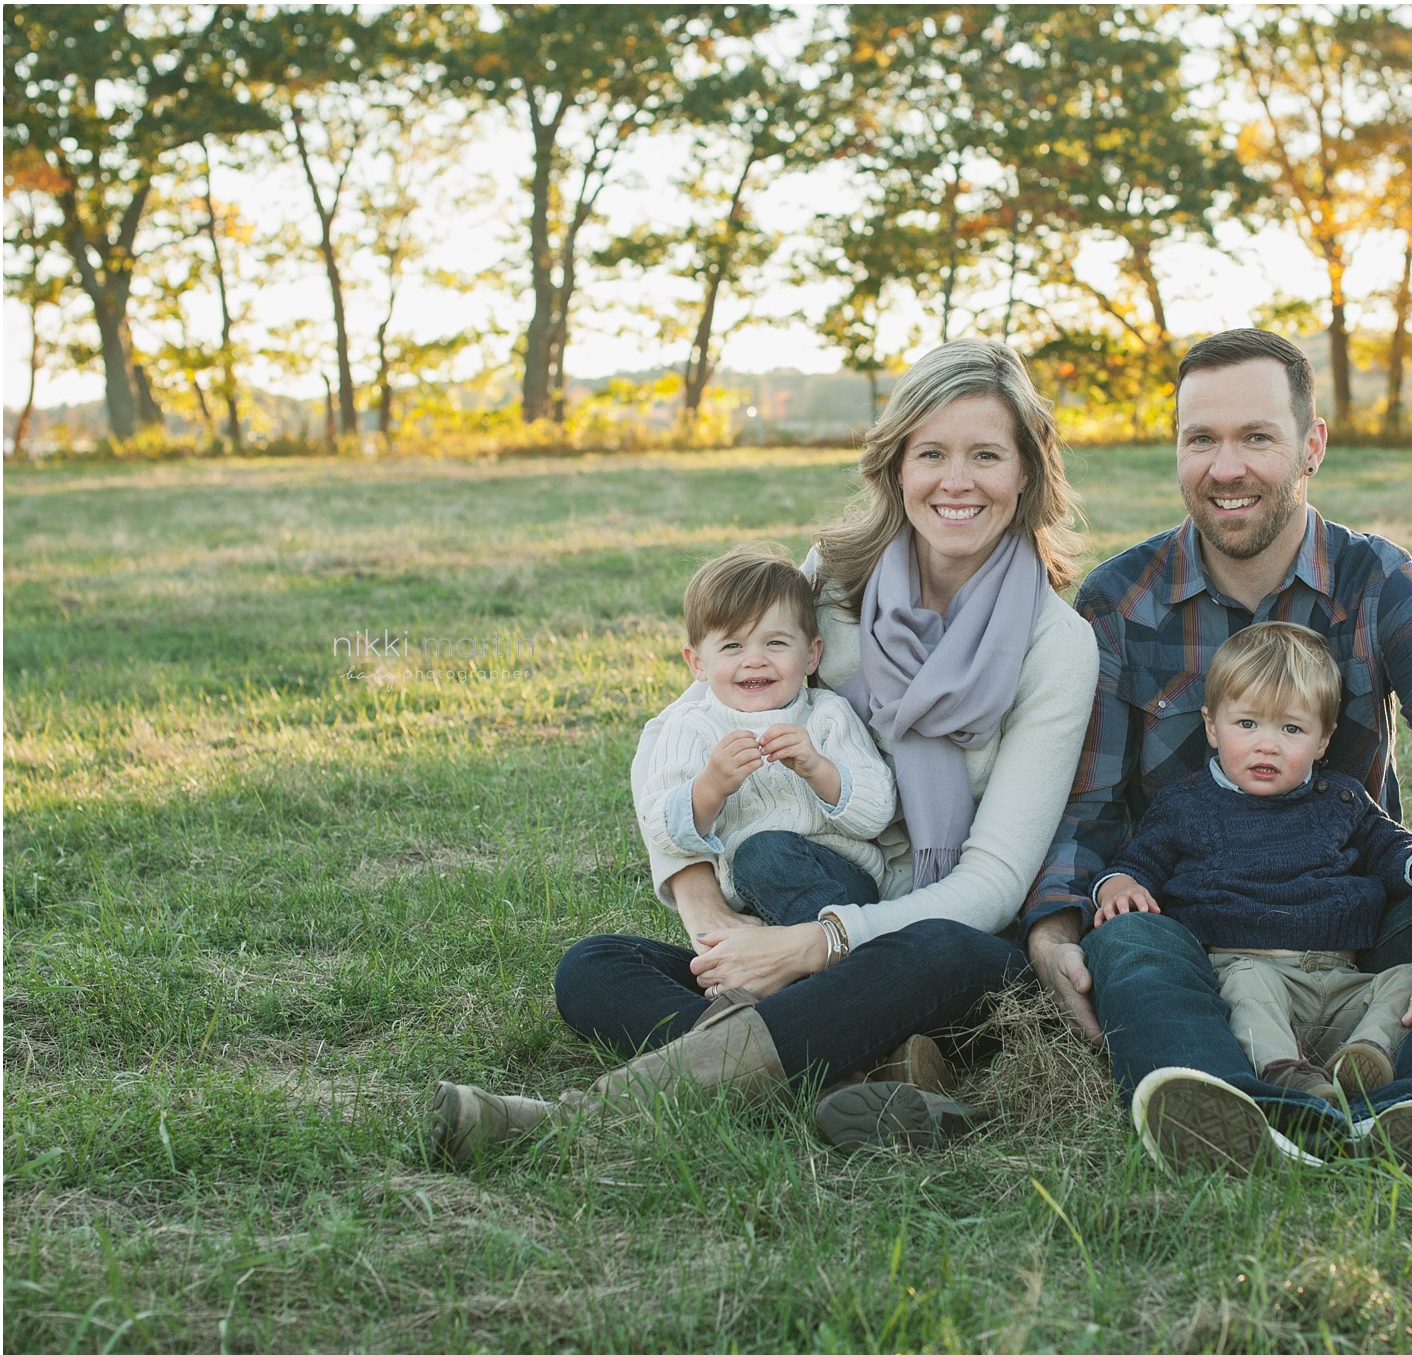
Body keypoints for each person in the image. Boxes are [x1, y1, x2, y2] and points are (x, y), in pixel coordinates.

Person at [430, 339, 1098, 1164]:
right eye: (932, 453)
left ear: (1027, 472)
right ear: (896, 466)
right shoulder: (836, 580)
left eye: (986, 455)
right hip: (784, 903)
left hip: (943, 949)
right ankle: (859, 1077)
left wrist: (817, 944)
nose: (955, 482)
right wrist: (708, 912)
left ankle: (585, 1121)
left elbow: (991, 885)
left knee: (944, 950)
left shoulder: (1055, 646)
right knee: (593, 966)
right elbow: (690, 722)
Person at [1024, 328, 1412, 1176]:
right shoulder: (1121, 599)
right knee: (1123, 941)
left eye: (1255, 438)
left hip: (1350, 923)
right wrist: (1054, 927)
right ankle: (1223, 1108)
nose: (1224, 467)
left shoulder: (1377, 581)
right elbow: (1085, 802)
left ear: (1312, 447)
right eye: (1201, 439)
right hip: (1189, 931)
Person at [1091, 621, 1412, 1110]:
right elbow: (1139, 858)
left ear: (1322, 740)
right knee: (1249, 987)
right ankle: (1284, 1076)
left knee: (1405, 979)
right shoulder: (1186, 805)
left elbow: (1388, 845)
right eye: (1247, 724)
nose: (1266, 744)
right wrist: (1119, 882)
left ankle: (1364, 1058)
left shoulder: (1340, 799)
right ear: (1212, 727)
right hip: (1247, 969)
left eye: (1291, 729)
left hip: (1337, 978)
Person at [632, 541, 897, 929]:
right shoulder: (690, 726)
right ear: (697, 663)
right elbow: (663, 830)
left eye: (775, 642)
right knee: (589, 964)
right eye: (732, 645)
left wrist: (818, 769)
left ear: (811, 654)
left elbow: (877, 813)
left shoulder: (826, 714)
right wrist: (710, 786)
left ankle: (840, 957)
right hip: (746, 905)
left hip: (837, 883)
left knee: (763, 852)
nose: (754, 659)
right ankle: (782, 977)